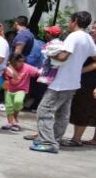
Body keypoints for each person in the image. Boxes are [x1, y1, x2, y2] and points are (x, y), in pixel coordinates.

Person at [30, 11, 96, 153]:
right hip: (73, 81)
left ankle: (47, 142)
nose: (68, 24)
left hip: (61, 82)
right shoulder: (88, 39)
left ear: (75, 21)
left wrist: (50, 52)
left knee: (44, 110)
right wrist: (80, 69)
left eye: (70, 21)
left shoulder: (74, 36)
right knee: (62, 113)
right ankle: (55, 139)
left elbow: (63, 57)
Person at [2, 54, 39, 132]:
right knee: (9, 106)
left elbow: (37, 72)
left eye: (22, 61)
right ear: (13, 61)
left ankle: (14, 119)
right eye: (19, 61)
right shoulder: (8, 68)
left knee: (18, 102)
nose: (21, 63)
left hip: (21, 89)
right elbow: (4, 77)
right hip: (9, 89)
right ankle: (10, 122)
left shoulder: (27, 67)